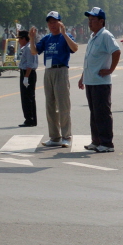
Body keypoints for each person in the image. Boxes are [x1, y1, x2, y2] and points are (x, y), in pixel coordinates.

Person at [29, 11, 78, 148]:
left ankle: (66, 136)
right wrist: (32, 39)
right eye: (50, 22)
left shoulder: (65, 36)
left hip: (61, 70)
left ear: (60, 22)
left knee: (63, 105)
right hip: (48, 72)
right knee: (50, 106)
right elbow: (34, 52)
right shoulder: (46, 38)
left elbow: (75, 48)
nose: (52, 25)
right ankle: (54, 137)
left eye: (55, 22)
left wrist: (63, 33)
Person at [77, 7, 120, 153]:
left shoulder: (106, 35)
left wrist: (111, 70)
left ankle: (107, 143)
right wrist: (83, 77)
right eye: (89, 20)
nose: (90, 22)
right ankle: (96, 141)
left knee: (102, 113)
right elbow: (89, 60)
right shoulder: (93, 36)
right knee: (94, 113)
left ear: (101, 21)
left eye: (93, 20)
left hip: (101, 82)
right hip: (91, 80)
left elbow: (116, 51)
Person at [18, 30, 38, 127]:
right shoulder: (26, 47)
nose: (18, 41)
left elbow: (30, 64)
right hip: (25, 73)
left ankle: (30, 119)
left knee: (28, 97)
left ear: (24, 39)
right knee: (26, 97)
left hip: (28, 74)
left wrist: (26, 77)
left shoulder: (29, 48)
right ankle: (29, 119)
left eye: (19, 39)